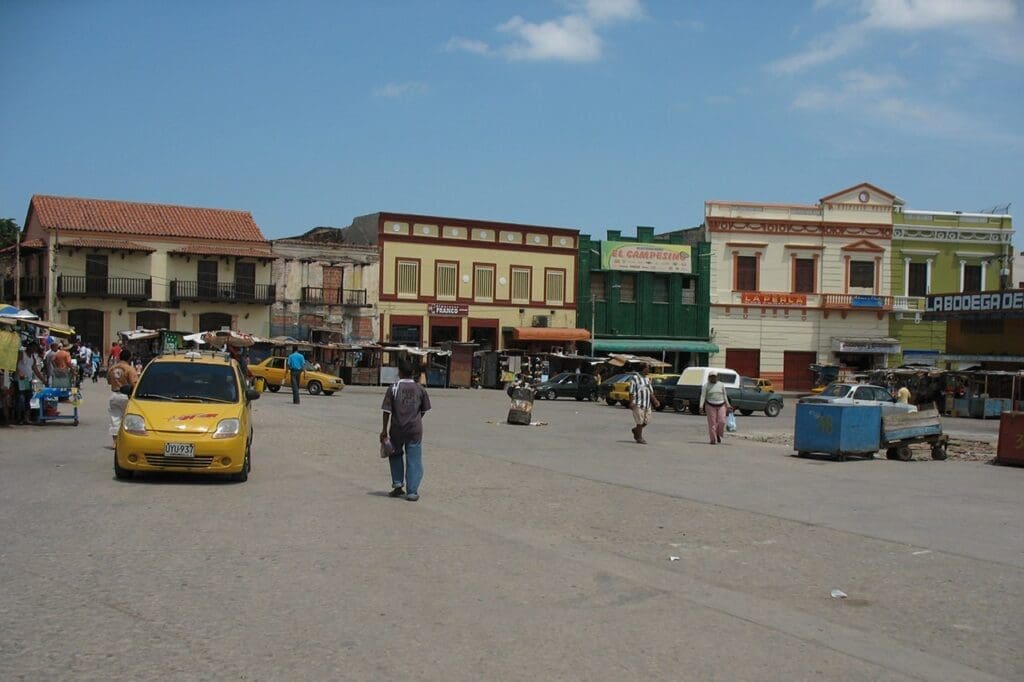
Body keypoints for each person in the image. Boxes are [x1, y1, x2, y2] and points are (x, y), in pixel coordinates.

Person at [380, 356, 431, 501]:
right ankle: (412, 491)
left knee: (395, 455)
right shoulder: (420, 389)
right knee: (414, 459)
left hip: (397, 429)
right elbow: (424, 409)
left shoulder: (393, 388)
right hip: (414, 430)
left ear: (399, 372)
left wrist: (384, 430)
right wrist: (416, 420)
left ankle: (397, 485)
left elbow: (386, 411)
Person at [107, 348, 139, 446]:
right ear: (129, 358)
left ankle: (115, 442)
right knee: (129, 419)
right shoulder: (129, 369)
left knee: (115, 418)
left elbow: (108, 381)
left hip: (114, 395)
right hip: (126, 396)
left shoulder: (112, 368)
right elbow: (134, 383)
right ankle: (129, 441)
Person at [628, 365, 659, 445]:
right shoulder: (635, 378)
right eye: (648, 368)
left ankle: (636, 430)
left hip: (647, 404)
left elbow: (650, 392)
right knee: (640, 421)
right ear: (643, 368)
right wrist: (631, 402)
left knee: (647, 420)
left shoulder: (647, 379)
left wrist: (655, 400)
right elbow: (631, 391)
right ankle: (639, 438)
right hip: (638, 403)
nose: (649, 370)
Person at [16, 343, 45, 425]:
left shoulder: (32, 357)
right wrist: (19, 373)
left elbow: (36, 370)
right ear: (28, 347)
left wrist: (43, 380)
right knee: (20, 399)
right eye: (33, 348)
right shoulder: (22, 354)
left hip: (28, 381)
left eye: (35, 349)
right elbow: (15, 364)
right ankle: (19, 418)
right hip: (19, 381)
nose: (34, 350)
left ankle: (26, 419)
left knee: (28, 399)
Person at [700, 371, 731, 445]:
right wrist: (701, 406)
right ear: (709, 377)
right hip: (710, 406)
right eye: (711, 376)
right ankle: (713, 439)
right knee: (712, 423)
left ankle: (718, 434)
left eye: (714, 376)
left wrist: (728, 405)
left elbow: (725, 395)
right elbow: (703, 396)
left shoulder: (721, 385)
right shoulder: (706, 386)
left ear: (717, 377)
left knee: (722, 421)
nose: (713, 378)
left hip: (721, 405)